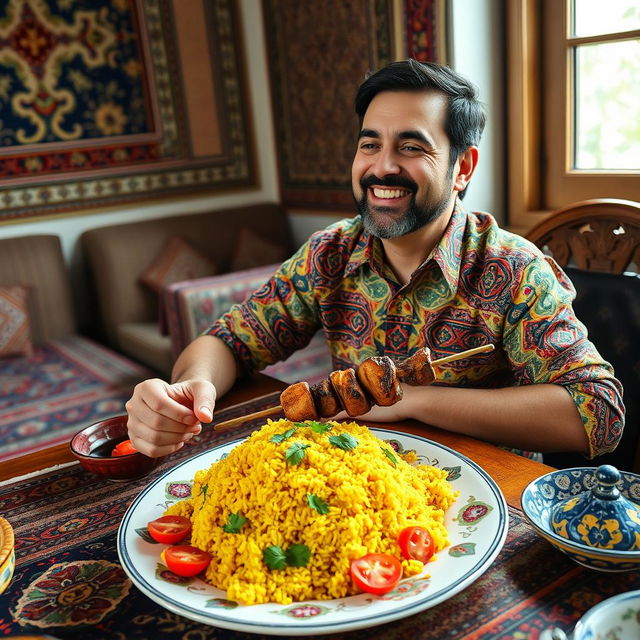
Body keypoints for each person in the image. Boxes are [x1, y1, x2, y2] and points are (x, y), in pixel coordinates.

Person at [126, 59, 624, 460]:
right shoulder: (331, 253)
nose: (382, 166)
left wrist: (414, 399)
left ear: (462, 167)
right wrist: (193, 386)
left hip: (486, 500)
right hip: (357, 481)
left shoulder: (515, 270)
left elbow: (597, 415)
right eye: (370, 144)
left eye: (411, 146)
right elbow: (229, 342)